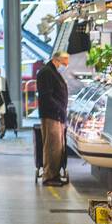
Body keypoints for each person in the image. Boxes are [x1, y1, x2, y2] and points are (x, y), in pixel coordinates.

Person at [36, 51, 71, 185]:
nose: (66, 65)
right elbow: (46, 96)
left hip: (57, 115)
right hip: (51, 115)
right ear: (58, 60)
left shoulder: (53, 72)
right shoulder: (46, 72)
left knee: (57, 146)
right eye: (65, 62)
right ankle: (49, 177)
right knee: (52, 146)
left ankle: (54, 174)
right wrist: (59, 108)